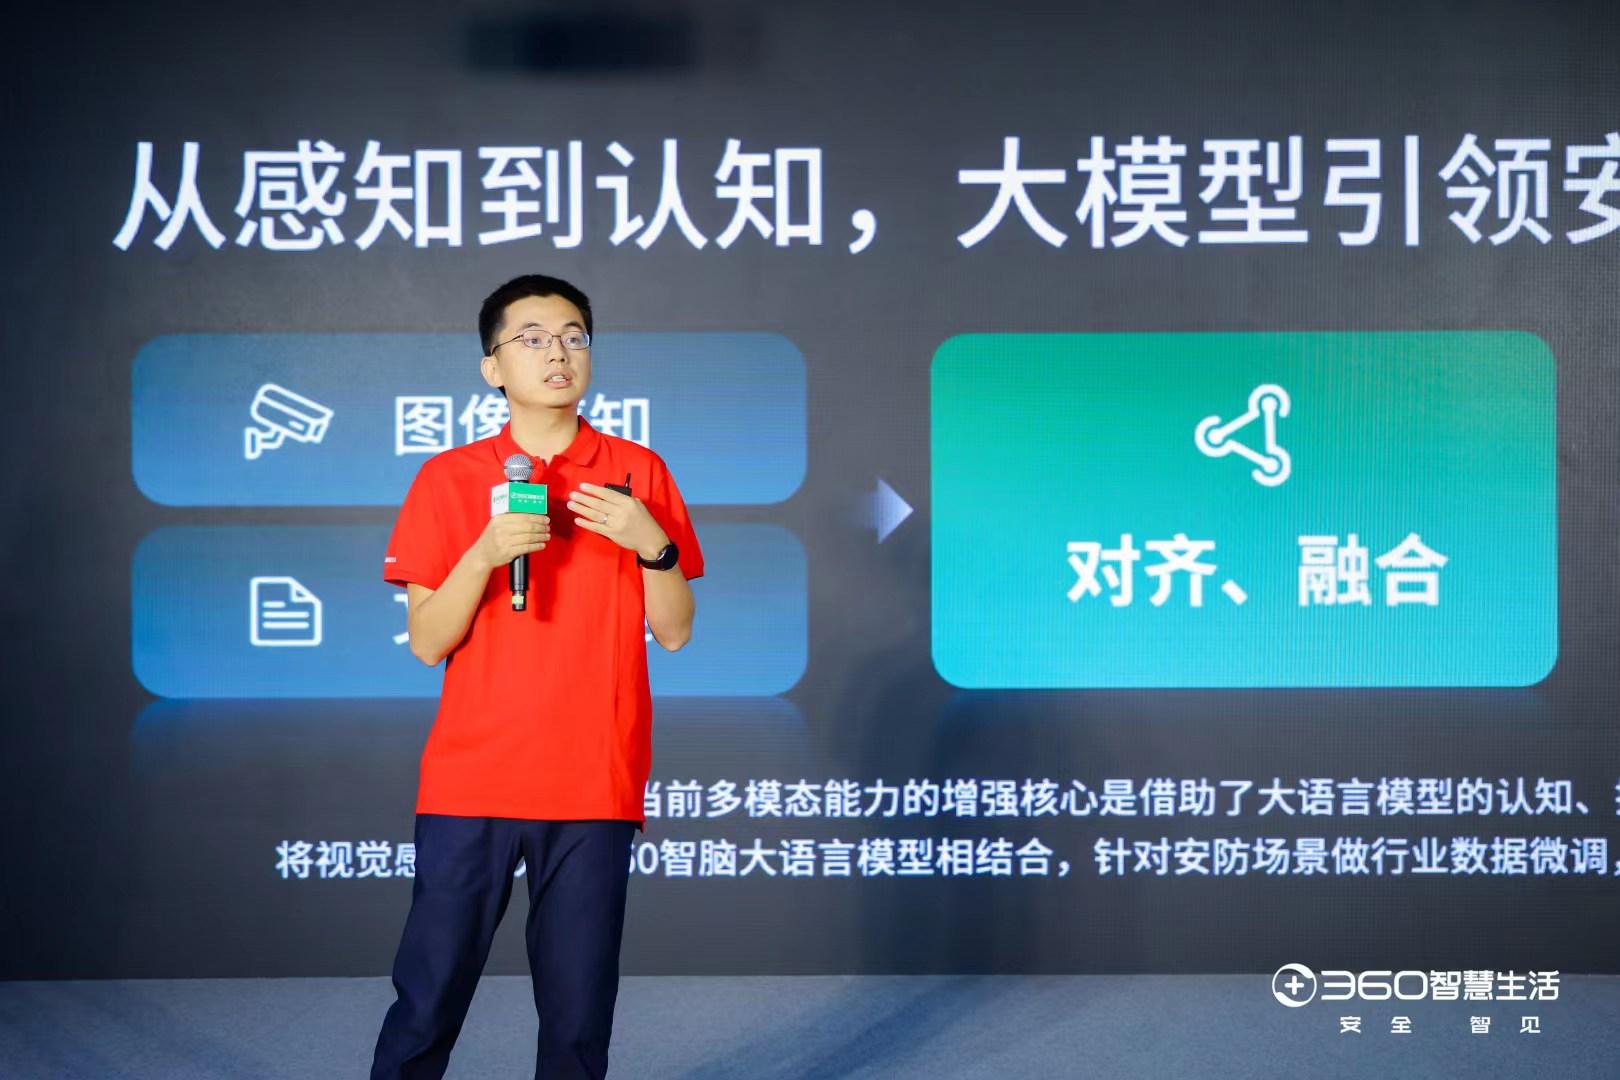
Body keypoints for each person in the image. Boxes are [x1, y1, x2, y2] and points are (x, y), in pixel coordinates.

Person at [371, 274, 702, 1079]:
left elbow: (675, 630)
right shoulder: (449, 478)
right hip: (472, 779)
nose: (558, 353)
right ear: (492, 367)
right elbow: (427, 642)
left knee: (578, 1018)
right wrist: (484, 553)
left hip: (594, 779)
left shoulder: (637, 471)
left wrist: (651, 543)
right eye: (532, 339)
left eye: (574, 337)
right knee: (427, 1001)